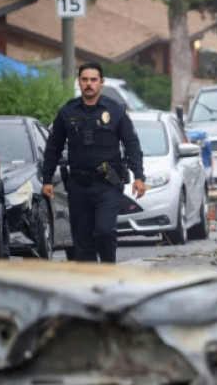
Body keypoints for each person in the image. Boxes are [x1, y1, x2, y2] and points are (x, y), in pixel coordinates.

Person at [41, 61, 146, 263]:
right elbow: (53, 148)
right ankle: (89, 284)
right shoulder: (67, 112)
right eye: (85, 80)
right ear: (79, 82)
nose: (89, 84)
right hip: (78, 185)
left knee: (105, 230)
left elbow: (132, 144)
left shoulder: (115, 111)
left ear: (102, 82)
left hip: (108, 183)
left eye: (93, 80)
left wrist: (139, 176)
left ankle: (107, 272)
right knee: (82, 239)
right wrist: (47, 179)